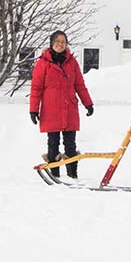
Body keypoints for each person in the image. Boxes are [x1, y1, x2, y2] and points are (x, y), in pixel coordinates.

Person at [29, 30, 94, 178]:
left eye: (63, 42)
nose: (60, 44)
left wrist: (88, 104)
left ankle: (73, 175)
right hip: (50, 109)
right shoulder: (43, 63)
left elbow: (80, 85)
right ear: (52, 43)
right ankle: (55, 175)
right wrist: (33, 110)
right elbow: (36, 88)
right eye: (57, 41)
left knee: (70, 144)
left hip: (69, 108)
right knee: (53, 144)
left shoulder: (72, 62)